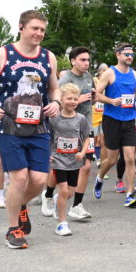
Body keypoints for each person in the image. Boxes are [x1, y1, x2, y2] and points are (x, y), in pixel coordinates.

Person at [0, 9, 61, 250]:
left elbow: (54, 88)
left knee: (39, 180)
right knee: (19, 177)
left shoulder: (49, 57)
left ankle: (18, 204)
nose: (39, 33)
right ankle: (13, 229)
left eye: (42, 30)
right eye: (35, 28)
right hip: (9, 125)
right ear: (21, 28)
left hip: (39, 126)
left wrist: (56, 102)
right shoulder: (2, 54)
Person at [48, 46, 96, 221]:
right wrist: (78, 99)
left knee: (86, 166)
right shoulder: (65, 79)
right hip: (64, 128)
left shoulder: (89, 77)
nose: (86, 63)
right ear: (73, 61)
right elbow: (56, 101)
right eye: (83, 60)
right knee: (61, 165)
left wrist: (95, 98)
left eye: (88, 60)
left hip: (85, 126)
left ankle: (76, 205)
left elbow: (94, 98)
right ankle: (49, 194)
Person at [93, 43, 136, 209]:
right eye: (126, 54)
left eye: (132, 54)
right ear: (118, 55)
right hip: (112, 119)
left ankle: (130, 195)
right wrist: (111, 101)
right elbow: (97, 94)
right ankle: (100, 177)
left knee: (130, 158)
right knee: (112, 159)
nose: (130, 57)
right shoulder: (109, 73)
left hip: (129, 120)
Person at [48, 84, 92, 236]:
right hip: (58, 159)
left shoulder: (81, 119)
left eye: (75, 99)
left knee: (70, 192)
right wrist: (48, 153)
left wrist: (83, 152)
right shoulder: (53, 118)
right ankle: (62, 223)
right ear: (61, 99)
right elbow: (47, 137)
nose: (72, 101)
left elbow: (86, 138)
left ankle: (58, 202)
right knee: (64, 190)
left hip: (74, 160)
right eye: (69, 98)